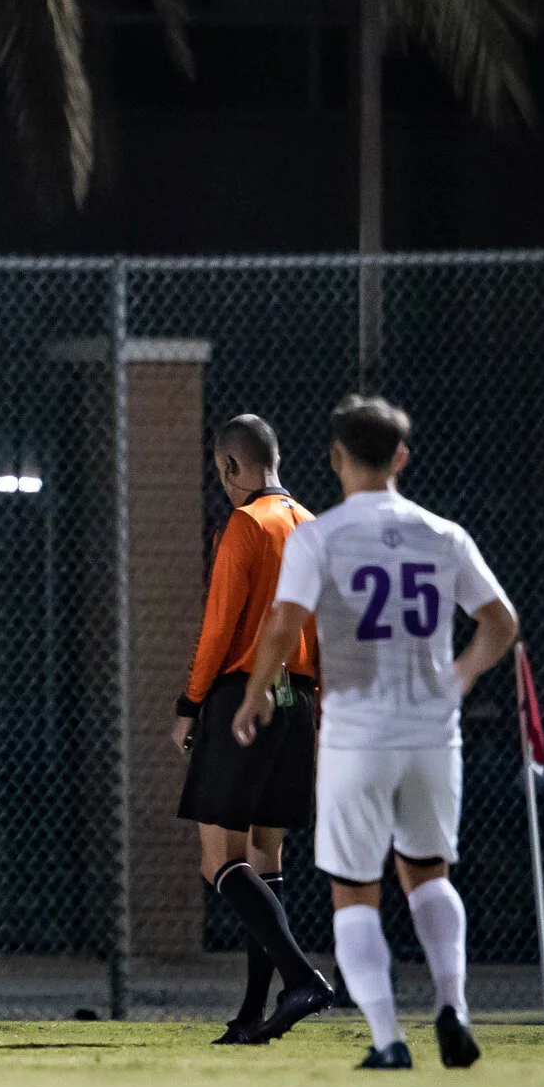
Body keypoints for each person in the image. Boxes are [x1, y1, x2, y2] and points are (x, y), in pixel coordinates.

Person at [237, 396, 517, 1071]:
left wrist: (254, 696)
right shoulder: (442, 534)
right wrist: (461, 674)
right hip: (430, 730)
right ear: (401, 457)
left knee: (355, 889)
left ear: (335, 458)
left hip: (357, 733)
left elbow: (282, 624)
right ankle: (453, 1003)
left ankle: (390, 1039)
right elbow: (500, 619)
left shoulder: (320, 536)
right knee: (428, 873)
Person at [173, 415, 335, 1044]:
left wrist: (189, 702)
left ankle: (301, 979)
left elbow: (220, 629)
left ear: (230, 468)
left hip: (245, 696)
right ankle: (251, 1016)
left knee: (219, 862)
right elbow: (320, 629)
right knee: (265, 860)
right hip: (299, 703)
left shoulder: (245, 524)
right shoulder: (314, 525)